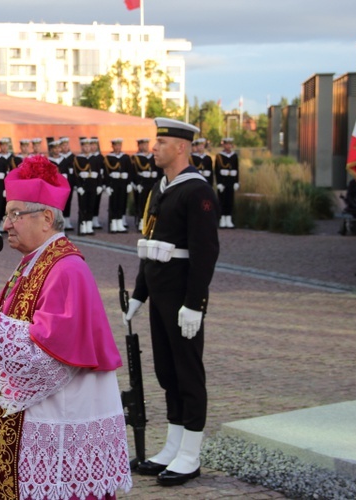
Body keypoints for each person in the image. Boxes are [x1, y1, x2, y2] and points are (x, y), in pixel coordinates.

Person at [0, 154, 132, 500]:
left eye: (15, 214)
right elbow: (10, 327)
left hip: (56, 417)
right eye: (5, 214)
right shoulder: (33, 263)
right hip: (26, 414)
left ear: (46, 218)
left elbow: (51, 355)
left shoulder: (67, 269)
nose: (6, 224)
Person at [125, 118, 220, 487]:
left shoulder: (197, 191)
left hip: (183, 297)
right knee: (167, 372)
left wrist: (196, 303)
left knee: (188, 373)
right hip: (161, 296)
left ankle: (190, 454)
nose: (154, 147)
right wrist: (138, 296)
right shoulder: (161, 187)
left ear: (182, 147)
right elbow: (151, 249)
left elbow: (205, 253)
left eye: (161, 141)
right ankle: (174, 446)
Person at [105, 138, 133, 233]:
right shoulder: (108, 158)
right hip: (114, 183)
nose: (117, 147)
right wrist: (107, 185)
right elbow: (106, 173)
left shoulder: (125, 157)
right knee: (114, 203)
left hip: (123, 183)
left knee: (122, 203)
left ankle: (120, 223)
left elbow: (130, 170)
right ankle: (113, 223)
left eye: (119, 145)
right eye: (115, 145)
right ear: (112, 146)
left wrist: (129, 183)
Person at [215, 137, 239, 229]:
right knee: (222, 200)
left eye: (230, 144)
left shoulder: (234, 156)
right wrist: (219, 182)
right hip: (223, 181)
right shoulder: (219, 156)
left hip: (231, 181)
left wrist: (236, 181)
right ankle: (222, 219)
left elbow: (237, 169)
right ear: (223, 145)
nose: (228, 146)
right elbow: (217, 170)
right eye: (226, 144)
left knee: (230, 200)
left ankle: (229, 218)